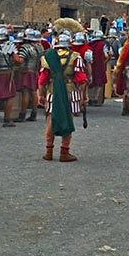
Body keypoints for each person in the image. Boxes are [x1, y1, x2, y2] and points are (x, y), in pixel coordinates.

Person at [38, 32, 88, 162]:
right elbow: (81, 79)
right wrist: (83, 96)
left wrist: (41, 94)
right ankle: (64, 152)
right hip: (70, 93)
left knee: (50, 120)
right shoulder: (75, 57)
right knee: (67, 120)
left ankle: (49, 152)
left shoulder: (48, 57)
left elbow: (43, 79)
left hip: (52, 92)